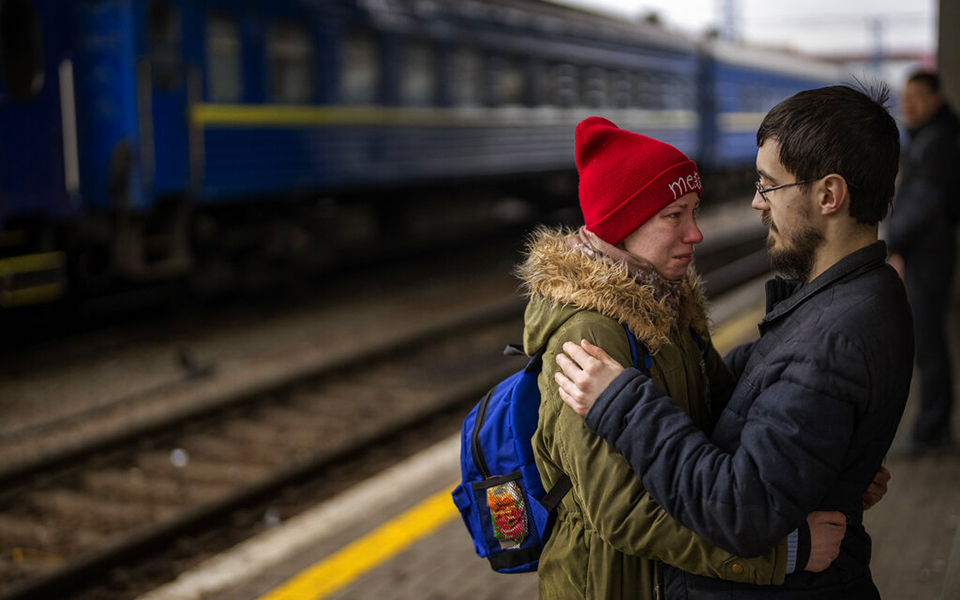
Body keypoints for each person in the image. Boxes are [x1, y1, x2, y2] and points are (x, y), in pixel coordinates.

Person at [554, 86, 911, 599]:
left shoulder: (832, 336)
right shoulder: (860, 295)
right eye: (673, 215)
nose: (755, 202)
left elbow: (739, 507)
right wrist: (831, 464)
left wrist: (623, 404)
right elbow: (763, 392)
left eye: (768, 186)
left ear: (829, 196)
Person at [886, 70, 959, 455]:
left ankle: (932, 428)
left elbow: (925, 204)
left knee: (928, 342)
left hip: (930, 255)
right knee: (928, 341)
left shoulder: (940, 141)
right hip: (925, 252)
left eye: (916, 95)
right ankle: (934, 424)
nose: (907, 102)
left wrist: (891, 241)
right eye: (905, 95)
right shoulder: (929, 137)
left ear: (936, 98)